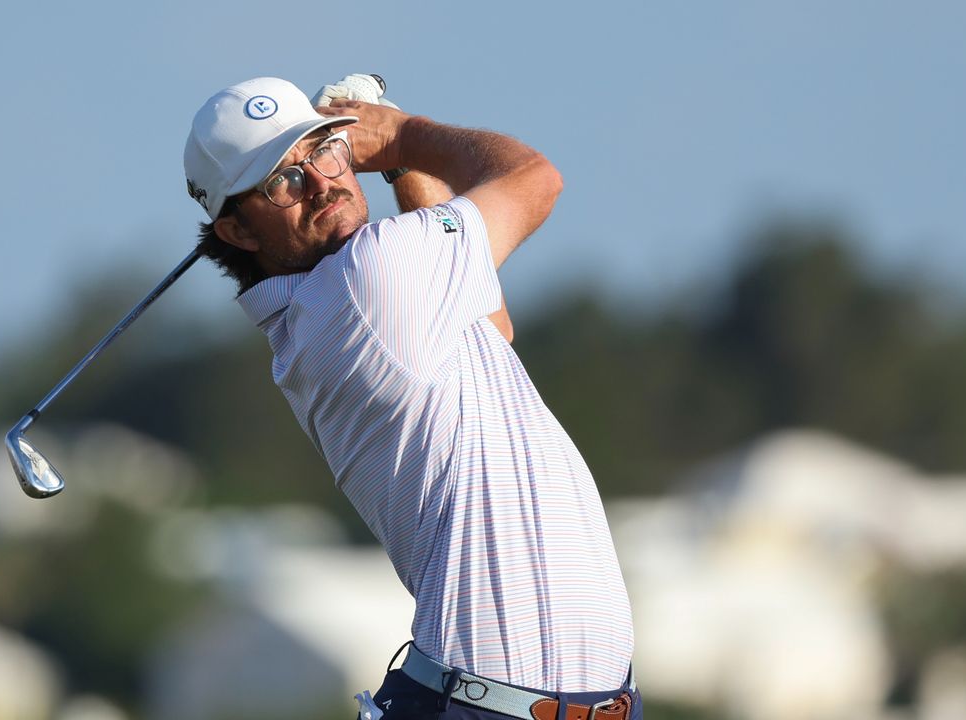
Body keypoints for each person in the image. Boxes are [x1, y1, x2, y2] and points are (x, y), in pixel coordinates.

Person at [183, 74, 640, 720]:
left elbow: (492, 329)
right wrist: (402, 136)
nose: (322, 182)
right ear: (238, 231)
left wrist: (400, 167)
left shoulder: (342, 303)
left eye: (323, 150)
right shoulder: (363, 280)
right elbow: (536, 179)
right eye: (282, 180)